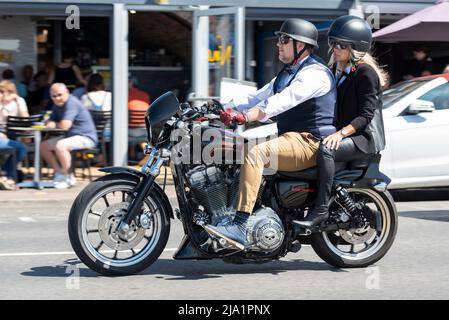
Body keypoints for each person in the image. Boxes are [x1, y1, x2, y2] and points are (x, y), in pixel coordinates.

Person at [206, 19, 337, 245]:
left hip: (310, 142)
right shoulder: (288, 73)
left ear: (301, 45)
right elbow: (255, 97)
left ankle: (240, 225)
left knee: (256, 153)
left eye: (284, 39)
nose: (278, 43)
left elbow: (280, 102)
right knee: (236, 149)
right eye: (279, 38)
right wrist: (217, 107)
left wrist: (246, 116)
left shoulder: (314, 74)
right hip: (290, 138)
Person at [297, 15, 388, 228]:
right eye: (332, 43)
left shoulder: (365, 73)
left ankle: (320, 208)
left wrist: (339, 134)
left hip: (363, 138)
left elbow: (366, 116)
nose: (334, 48)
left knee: (326, 149)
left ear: (356, 47)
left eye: (340, 45)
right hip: (349, 132)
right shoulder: (340, 70)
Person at [41, 83, 98, 189]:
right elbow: (50, 120)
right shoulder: (57, 105)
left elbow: (65, 126)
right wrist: (50, 122)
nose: (57, 98)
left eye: (59, 95)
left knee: (60, 145)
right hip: (72, 136)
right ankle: (60, 174)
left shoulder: (72, 102)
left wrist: (53, 123)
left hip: (86, 137)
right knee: (44, 146)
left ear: (67, 92)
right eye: (54, 96)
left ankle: (68, 177)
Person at [0, 80, 28, 186]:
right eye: (1, 91)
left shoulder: (19, 101)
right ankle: (7, 175)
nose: (2, 94)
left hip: (14, 136)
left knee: (21, 148)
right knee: (19, 148)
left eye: (4, 91)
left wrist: (18, 102)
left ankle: (6, 173)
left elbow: (26, 120)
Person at [128, 77, 150, 160]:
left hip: (130, 130)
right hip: (144, 129)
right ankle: (146, 152)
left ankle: (129, 156)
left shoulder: (123, 95)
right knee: (140, 136)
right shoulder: (145, 95)